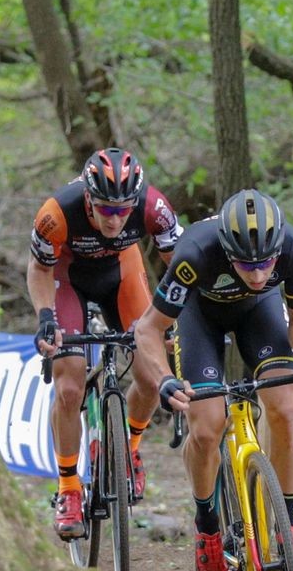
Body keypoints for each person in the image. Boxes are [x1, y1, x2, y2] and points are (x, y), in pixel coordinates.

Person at [133, 188, 293, 571]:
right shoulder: (195, 254)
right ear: (226, 249)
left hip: (259, 314)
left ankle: (287, 525)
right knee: (206, 427)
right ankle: (207, 529)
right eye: (245, 264)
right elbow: (147, 329)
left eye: (265, 264)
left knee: (285, 409)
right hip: (199, 317)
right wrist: (165, 378)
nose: (257, 275)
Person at [27, 148, 183, 540]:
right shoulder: (56, 213)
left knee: (151, 372)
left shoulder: (154, 206)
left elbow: (182, 265)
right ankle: (67, 488)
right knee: (68, 386)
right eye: (104, 209)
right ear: (87, 199)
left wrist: (183, 317)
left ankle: (127, 447)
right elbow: (40, 269)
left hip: (121, 274)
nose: (115, 219)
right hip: (68, 279)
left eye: (122, 210)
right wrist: (46, 318)